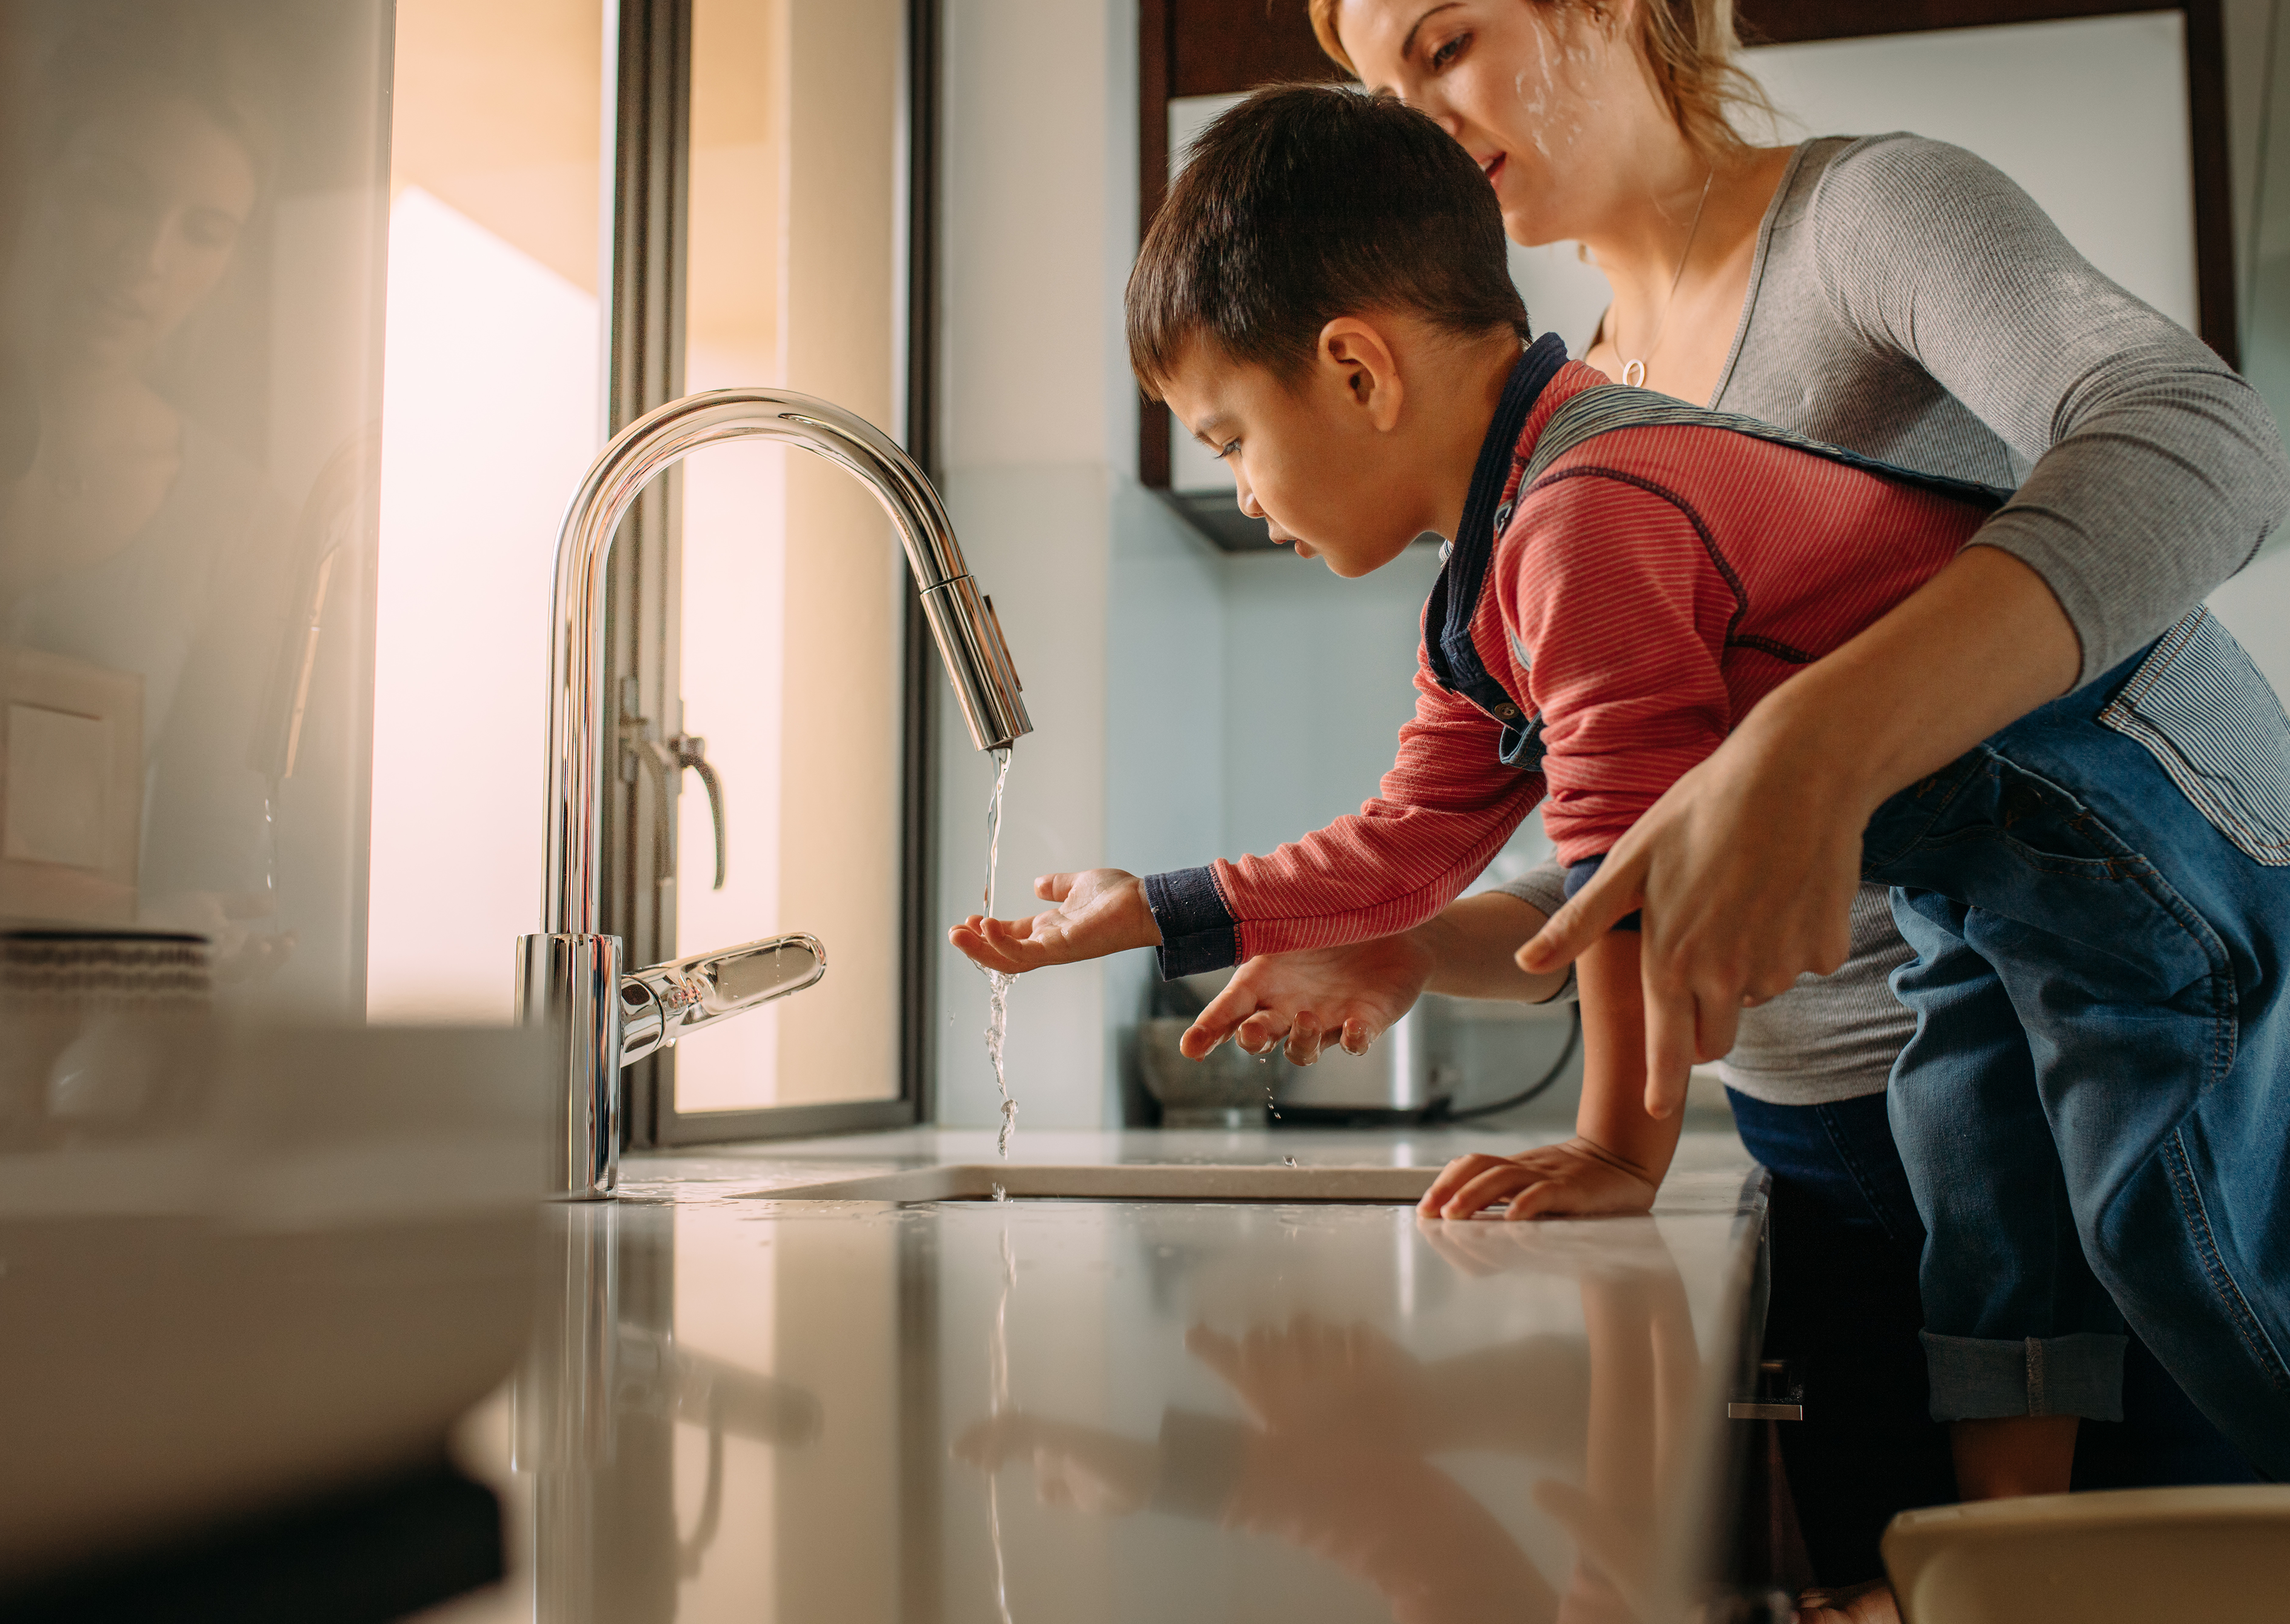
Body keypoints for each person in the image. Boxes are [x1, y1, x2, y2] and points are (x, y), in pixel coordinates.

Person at [949, 80, 2290, 1591]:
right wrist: (1159, 908)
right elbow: (1411, 841)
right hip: (1965, 870)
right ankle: (2000, 1557)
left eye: (1228, 436)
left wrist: (1612, 1145)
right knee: (1979, 1190)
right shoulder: (1498, 554)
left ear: (1353, 369)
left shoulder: (1583, 510)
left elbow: (1621, 865)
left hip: (2109, 813)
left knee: (2168, 1234)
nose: (1243, 489)